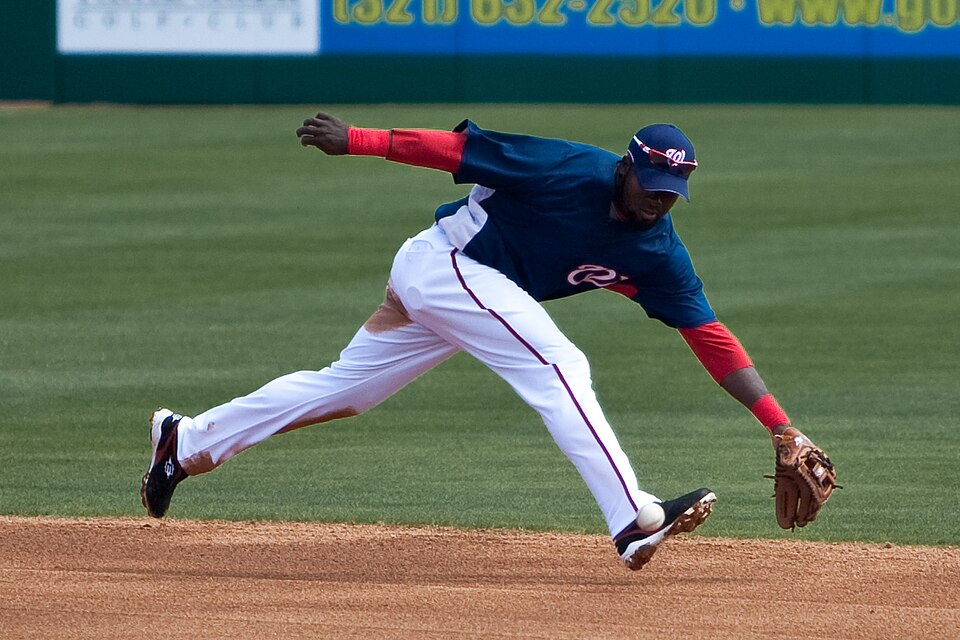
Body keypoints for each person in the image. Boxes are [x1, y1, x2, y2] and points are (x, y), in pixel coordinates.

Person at [141, 111, 832, 570]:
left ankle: (186, 441)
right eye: (650, 183)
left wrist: (779, 425)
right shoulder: (565, 168)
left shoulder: (658, 252)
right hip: (446, 263)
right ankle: (632, 519)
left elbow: (706, 334)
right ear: (626, 166)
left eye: (670, 192)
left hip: (466, 291)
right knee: (559, 362)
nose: (656, 199)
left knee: (344, 391)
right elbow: (459, 150)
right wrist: (356, 139)